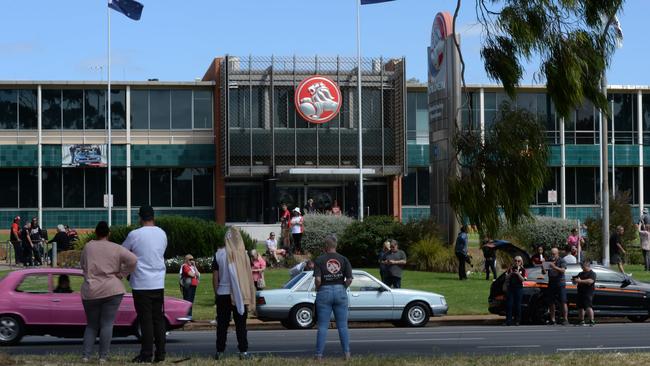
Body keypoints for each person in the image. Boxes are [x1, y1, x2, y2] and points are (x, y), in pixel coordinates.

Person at [80, 221, 137, 363]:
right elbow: (133, 260)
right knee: (107, 324)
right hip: (112, 288)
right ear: (108, 234)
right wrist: (122, 273)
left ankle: (86, 356)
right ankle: (103, 357)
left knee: (92, 325)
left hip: (91, 289)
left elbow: (83, 264)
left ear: (96, 232)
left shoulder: (88, 247)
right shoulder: (116, 248)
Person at [122, 206, 168, 363]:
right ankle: (161, 353)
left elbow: (123, 252)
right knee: (159, 319)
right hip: (158, 282)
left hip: (141, 283)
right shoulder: (162, 233)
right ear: (153, 217)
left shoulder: (135, 234)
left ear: (140, 218)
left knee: (146, 320)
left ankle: (146, 354)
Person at [212, 227, 256, 360]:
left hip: (223, 293)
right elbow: (248, 275)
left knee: (222, 325)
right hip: (240, 294)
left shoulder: (219, 254)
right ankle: (243, 351)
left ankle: (220, 351)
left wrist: (217, 293)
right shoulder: (243, 254)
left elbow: (215, 277)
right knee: (241, 324)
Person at [313, 234, 352, 360]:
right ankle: (346, 354)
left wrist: (319, 289)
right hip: (340, 290)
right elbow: (350, 279)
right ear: (336, 246)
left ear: (326, 246)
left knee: (323, 326)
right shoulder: (344, 259)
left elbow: (318, 280)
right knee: (342, 325)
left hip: (324, 290)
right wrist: (343, 287)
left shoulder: (319, 260)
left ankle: (319, 355)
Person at [541, 247, 568, 325]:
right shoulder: (549, 260)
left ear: (557, 253)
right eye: (551, 253)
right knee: (551, 302)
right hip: (551, 283)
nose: (552, 255)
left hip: (560, 283)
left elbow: (563, 270)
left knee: (563, 301)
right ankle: (552, 320)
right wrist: (543, 265)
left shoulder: (561, 260)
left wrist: (554, 267)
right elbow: (544, 272)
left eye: (554, 254)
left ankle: (565, 319)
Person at [504, 256, 527, 326]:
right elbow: (506, 278)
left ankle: (517, 320)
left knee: (518, 305)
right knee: (509, 304)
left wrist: (518, 274)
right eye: (515, 260)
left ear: (521, 262)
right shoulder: (510, 269)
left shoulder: (523, 270)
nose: (516, 262)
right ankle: (508, 321)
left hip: (519, 288)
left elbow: (523, 280)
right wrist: (510, 273)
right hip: (510, 288)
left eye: (518, 261)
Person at [573, 260, 596, 326]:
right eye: (581, 266)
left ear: (587, 266)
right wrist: (574, 280)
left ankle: (592, 320)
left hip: (588, 292)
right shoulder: (580, 273)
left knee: (588, 306)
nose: (582, 268)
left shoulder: (592, 273)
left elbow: (590, 281)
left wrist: (580, 281)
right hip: (580, 291)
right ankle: (581, 320)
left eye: (583, 266)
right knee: (580, 307)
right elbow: (576, 281)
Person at [180, 254, 200, 320]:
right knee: (187, 300)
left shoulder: (192, 267)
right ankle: (186, 316)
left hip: (193, 285)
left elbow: (197, 274)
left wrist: (194, 266)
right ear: (186, 260)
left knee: (191, 301)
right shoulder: (184, 266)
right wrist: (195, 275)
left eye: (192, 259)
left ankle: (189, 316)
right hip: (188, 286)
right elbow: (191, 274)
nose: (192, 261)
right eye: (190, 259)